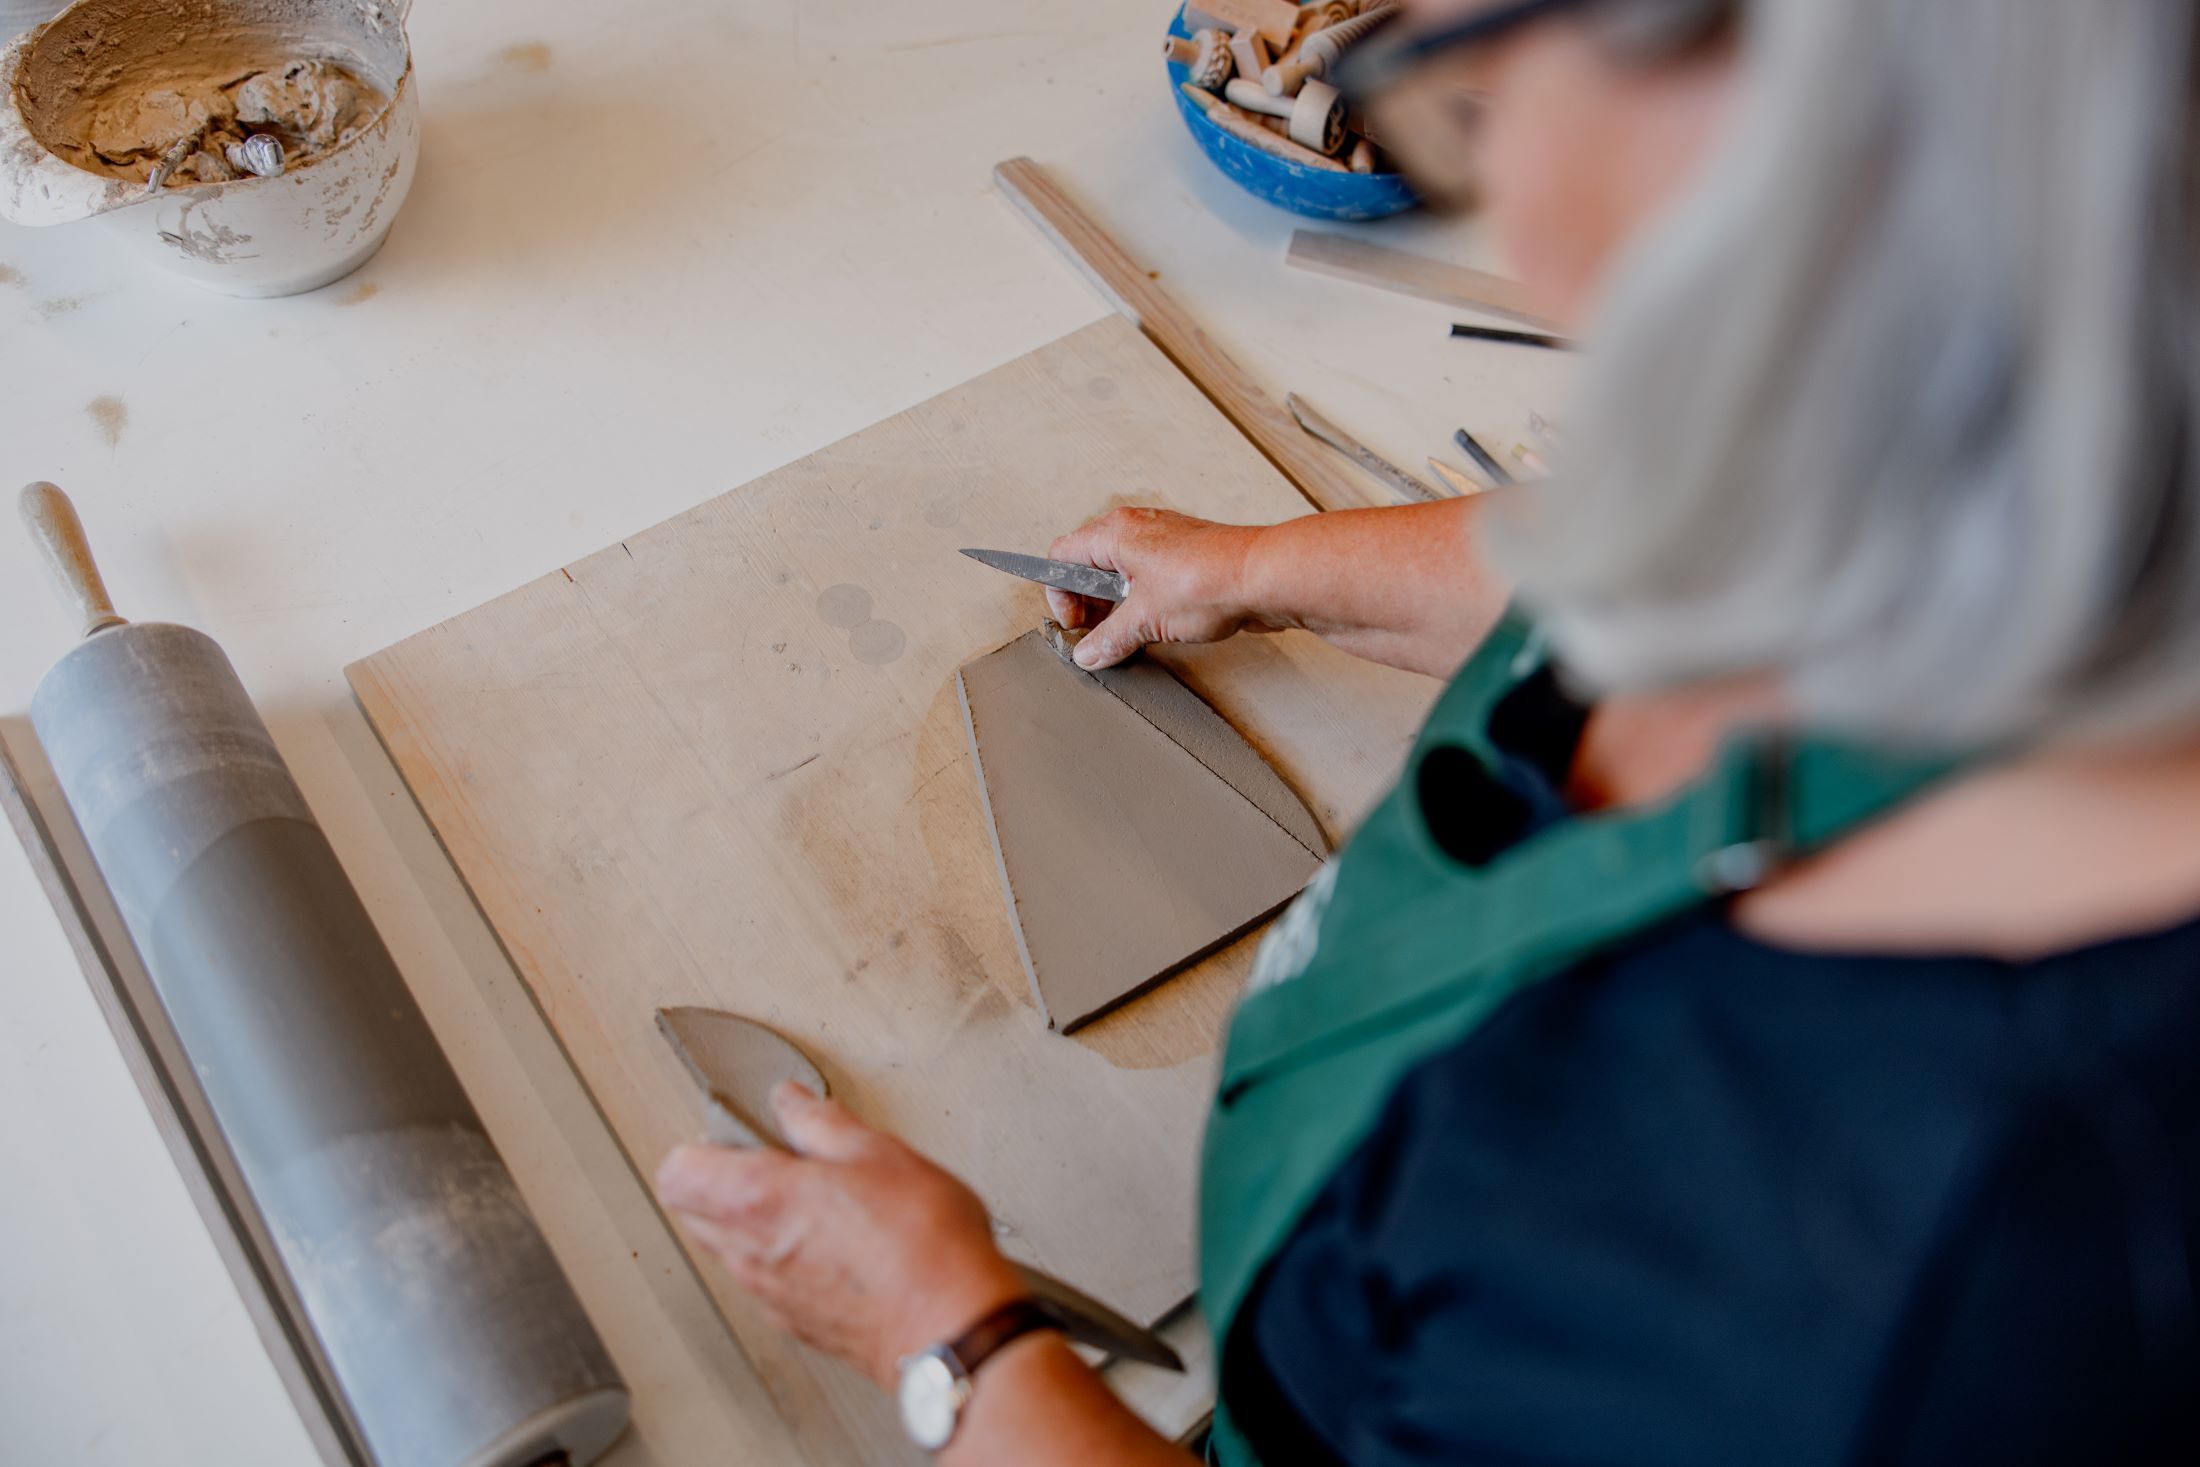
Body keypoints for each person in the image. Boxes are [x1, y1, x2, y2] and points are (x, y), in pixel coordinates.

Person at [655, 0, 2200, 1460]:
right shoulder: (1942, 421)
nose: (1506, 204)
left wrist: (952, 1346)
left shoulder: (1913, 1301)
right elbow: (1640, 545)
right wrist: (1261, 572)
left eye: (1479, 84)